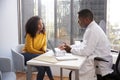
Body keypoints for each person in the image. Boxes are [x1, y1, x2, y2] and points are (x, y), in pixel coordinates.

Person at [58, 9, 113, 80]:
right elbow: (84, 44)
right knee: (74, 69)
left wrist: (71, 50)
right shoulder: (91, 28)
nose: (78, 22)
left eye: (79, 20)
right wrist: (70, 47)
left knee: (75, 72)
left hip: (100, 63)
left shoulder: (93, 30)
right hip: (98, 59)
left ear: (86, 20)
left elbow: (86, 51)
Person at [21, 16, 54, 80]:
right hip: (26, 55)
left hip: (37, 56)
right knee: (44, 60)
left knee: (42, 68)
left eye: (42, 23)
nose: (41, 25)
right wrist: (41, 53)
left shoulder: (43, 34)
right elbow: (30, 49)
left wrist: (44, 50)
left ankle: (51, 79)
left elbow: (44, 45)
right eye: (39, 24)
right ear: (34, 25)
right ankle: (52, 79)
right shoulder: (29, 35)